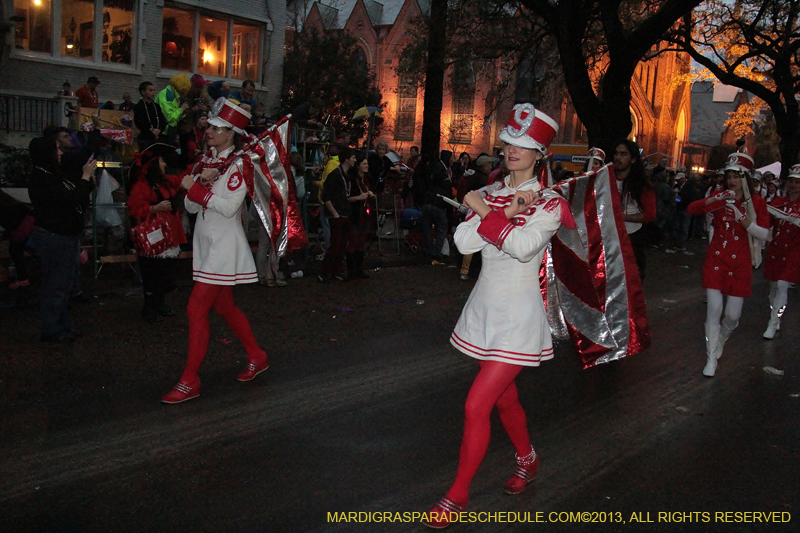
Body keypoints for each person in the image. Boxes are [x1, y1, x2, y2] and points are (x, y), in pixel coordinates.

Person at [424, 104, 569, 528]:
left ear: (540, 152)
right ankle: (528, 459)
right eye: (509, 142)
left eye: (523, 145)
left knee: (476, 405)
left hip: (519, 317)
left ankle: (457, 495)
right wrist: (500, 211)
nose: (512, 150)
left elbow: (523, 248)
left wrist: (489, 212)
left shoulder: (551, 203)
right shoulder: (491, 192)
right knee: (505, 398)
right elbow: (464, 243)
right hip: (485, 308)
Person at [161, 99, 268, 404]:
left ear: (231, 133)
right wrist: (199, 183)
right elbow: (192, 206)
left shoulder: (241, 164)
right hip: (206, 243)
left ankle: (189, 380)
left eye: (217, 127)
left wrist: (195, 188)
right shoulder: (208, 161)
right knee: (224, 307)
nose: (209, 130)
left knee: (196, 309)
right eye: (209, 125)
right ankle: (257, 355)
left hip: (223, 246)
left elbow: (230, 207)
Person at [686, 152, 769, 377]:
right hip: (716, 258)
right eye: (729, 175)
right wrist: (715, 199)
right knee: (714, 309)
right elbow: (692, 209)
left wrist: (743, 220)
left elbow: (765, 234)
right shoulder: (719, 197)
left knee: (732, 316)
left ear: (746, 178)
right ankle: (711, 357)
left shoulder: (757, 202)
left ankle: (721, 337)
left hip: (740, 263)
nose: (732, 180)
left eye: (737, 175)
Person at [27, 128, 97, 342]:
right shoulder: (42, 178)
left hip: (65, 235)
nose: (60, 153)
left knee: (63, 285)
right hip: (55, 237)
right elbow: (68, 200)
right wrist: (85, 178)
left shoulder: (53, 174)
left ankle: (62, 324)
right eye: (56, 149)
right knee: (55, 285)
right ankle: (52, 329)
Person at [127, 143, 188, 322]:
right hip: (152, 237)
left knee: (163, 272)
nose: (164, 163)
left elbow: (181, 179)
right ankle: (150, 307)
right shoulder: (142, 186)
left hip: (167, 235)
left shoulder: (165, 181)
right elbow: (134, 209)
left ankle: (159, 304)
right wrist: (154, 208)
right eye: (161, 161)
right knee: (151, 273)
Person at [761, 164, 800, 339]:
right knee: (774, 287)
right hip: (776, 249)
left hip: (794, 251)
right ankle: (775, 313)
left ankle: (773, 321)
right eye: (791, 181)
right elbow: (766, 223)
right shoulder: (778, 202)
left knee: (783, 285)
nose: (794, 185)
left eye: (798, 182)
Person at [611, 139, 656, 281]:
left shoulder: (642, 185)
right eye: (617, 153)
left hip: (631, 239)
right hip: (608, 238)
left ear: (633, 159)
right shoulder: (605, 179)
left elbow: (650, 215)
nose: (618, 158)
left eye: (623, 154)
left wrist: (622, 216)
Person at [318, 146, 356, 282]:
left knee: (342, 245)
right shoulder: (335, 175)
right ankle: (325, 272)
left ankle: (336, 270)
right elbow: (326, 195)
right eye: (353, 158)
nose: (355, 160)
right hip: (337, 214)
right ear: (346, 160)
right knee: (335, 244)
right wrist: (334, 213)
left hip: (345, 212)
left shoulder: (347, 176)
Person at [346, 152, 376, 280]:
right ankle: (351, 270)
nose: (367, 166)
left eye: (367, 164)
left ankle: (359, 268)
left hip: (365, 215)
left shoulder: (367, 180)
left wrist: (371, 195)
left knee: (361, 241)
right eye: (364, 164)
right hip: (356, 214)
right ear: (358, 166)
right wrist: (360, 197)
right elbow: (347, 198)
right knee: (353, 240)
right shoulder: (353, 180)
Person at [155, 74, 191, 140]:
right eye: (183, 90)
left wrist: (182, 113)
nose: (184, 93)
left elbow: (174, 118)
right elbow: (170, 118)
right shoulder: (166, 95)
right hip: (163, 132)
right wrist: (181, 109)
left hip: (170, 131)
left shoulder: (173, 95)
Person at [134, 81, 167, 149]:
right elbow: (139, 121)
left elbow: (162, 120)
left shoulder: (156, 106)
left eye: (154, 90)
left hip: (158, 137)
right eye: (150, 90)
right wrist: (150, 130)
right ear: (143, 92)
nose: (153, 92)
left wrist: (159, 129)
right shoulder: (139, 106)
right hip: (145, 138)